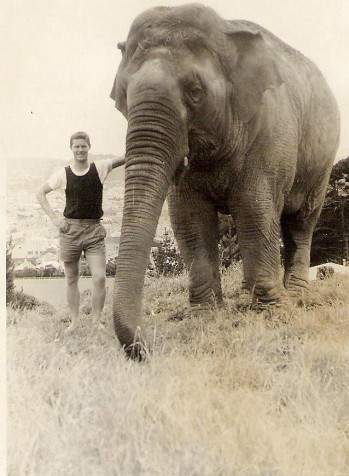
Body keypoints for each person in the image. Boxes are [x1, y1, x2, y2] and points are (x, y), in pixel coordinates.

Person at [36, 131, 125, 332]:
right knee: (71, 278)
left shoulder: (99, 168)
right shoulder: (64, 173)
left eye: (83, 146)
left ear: (89, 147)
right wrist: (55, 218)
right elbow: (39, 192)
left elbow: (123, 159)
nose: (80, 150)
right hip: (70, 231)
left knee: (100, 277)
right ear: (71, 148)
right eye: (76, 146)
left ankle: (96, 322)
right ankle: (75, 323)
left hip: (94, 229)